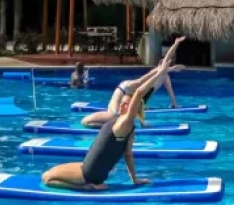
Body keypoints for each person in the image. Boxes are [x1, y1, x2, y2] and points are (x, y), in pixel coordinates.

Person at [42, 36, 185, 191]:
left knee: (47, 178)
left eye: (126, 104)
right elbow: (128, 155)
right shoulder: (130, 130)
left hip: (88, 174)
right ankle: (91, 182)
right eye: (122, 102)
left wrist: (160, 72)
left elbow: (138, 93)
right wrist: (134, 179)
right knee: (55, 171)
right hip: (91, 170)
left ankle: (87, 188)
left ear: (132, 108)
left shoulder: (124, 123)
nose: (122, 105)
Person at [81, 58, 184, 128]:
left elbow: (137, 102)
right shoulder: (132, 90)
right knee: (88, 122)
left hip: (116, 111)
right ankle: (113, 125)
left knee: (85, 121)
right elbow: (138, 99)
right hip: (118, 110)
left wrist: (142, 122)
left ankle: (112, 125)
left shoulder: (130, 93)